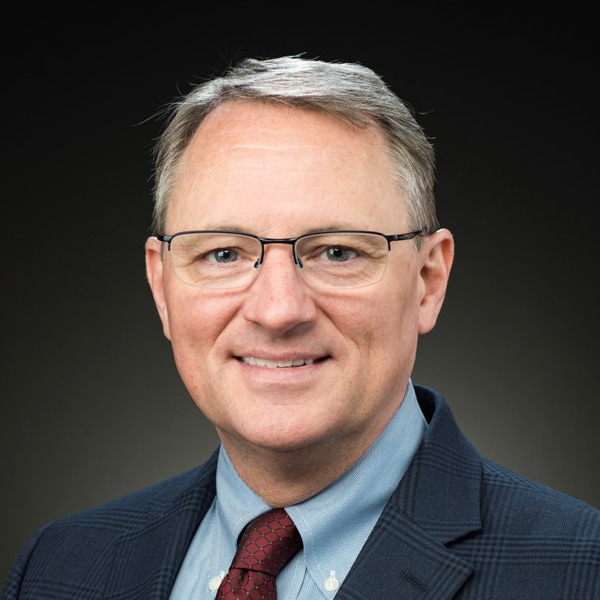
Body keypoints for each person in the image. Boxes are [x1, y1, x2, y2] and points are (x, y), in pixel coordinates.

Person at [2, 55, 599, 600]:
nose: (278, 309)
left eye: (337, 252)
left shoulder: (579, 571)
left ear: (427, 281)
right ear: (162, 287)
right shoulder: (59, 567)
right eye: (223, 254)